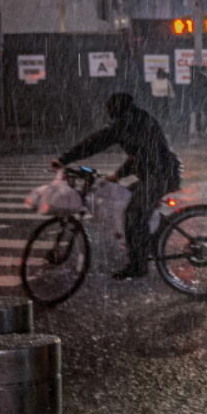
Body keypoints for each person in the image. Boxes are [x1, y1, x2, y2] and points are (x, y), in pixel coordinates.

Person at [52, 93, 181, 279]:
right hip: (156, 173)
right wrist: (117, 176)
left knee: (134, 213)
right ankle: (153, 240)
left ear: (117, 108)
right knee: (127, 202)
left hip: (160, 175)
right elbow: (139, 155)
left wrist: (65, 159)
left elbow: (96, 142)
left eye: (110, 109)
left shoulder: (128, 123)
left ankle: (138, 265)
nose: (108, 112)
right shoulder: (136, 120)